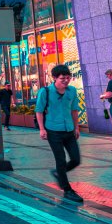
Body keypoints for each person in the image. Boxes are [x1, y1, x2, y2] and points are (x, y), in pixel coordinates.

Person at [36, 64, 83, 203]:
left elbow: (74, 110)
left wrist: (76, 127)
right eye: (62, 78)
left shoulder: (72, 91)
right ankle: (67, 189)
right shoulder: (46, 92)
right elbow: (39, 110)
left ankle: (58, 173)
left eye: (68, 78)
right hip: (53, 130)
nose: (66, 81)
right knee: (60, 159)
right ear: (55, 78)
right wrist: (42, 129)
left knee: (76, 159)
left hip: (69, 130)